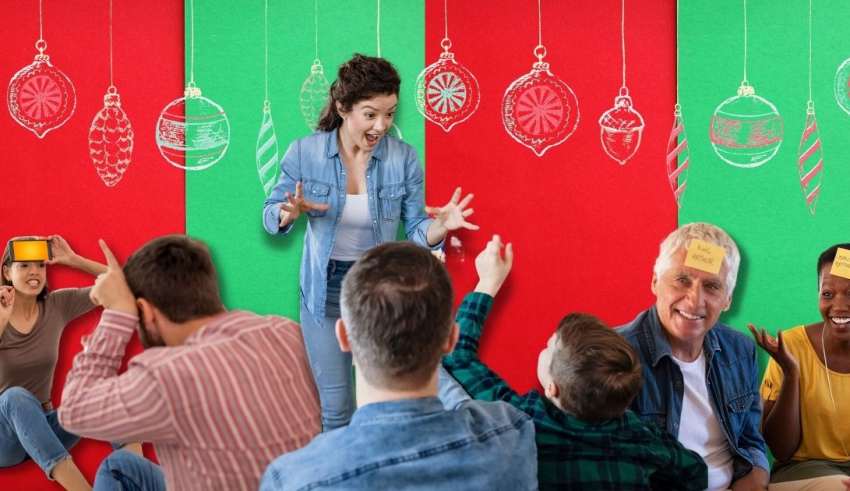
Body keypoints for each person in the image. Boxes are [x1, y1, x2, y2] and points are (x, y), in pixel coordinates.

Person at [262, 53, 478, 430]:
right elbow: (270, 214)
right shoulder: (305, 153)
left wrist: (440, 228)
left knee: (400, 396)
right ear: (344, 108)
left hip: (379, 289)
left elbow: (414, 232)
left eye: (390, 113)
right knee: (337, 410)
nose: (382, 125)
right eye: (371, 114)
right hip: (324, 291)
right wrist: (286, 212)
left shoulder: (403, 159)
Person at [260, 241, 537, 490]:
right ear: (451, 339)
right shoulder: (511, 436)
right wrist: (485, 287)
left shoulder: (293, 480)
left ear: (344, 337)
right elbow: (461, 400)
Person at [442, 234, 708, 490]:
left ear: (552, 388)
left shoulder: (522, 421)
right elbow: (696, 473)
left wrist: (487, 283)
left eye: (549, 347)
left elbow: (458, 355)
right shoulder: (641, 438)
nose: (544, 348)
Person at [57, 235, 321, 490]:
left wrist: (117, 315)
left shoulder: (167, 376)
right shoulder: (288, 333)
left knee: (117, 466)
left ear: (146, 312)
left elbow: (73, 410)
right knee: (121, 464)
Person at [617, 222, 769, 491]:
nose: (695, 299)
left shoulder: (740, 350)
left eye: (711, 286)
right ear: (654, 281)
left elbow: (750, 442)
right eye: (682, 280)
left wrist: (753, 481)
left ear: (728, 299)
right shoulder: (616, 354)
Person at [0, 235, 105, 491]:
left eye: (40, 264)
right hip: (3, 438)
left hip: (44, 428)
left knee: (98, 395)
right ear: (6, 271)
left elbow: (124, 287)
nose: (34, 271)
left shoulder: (57, 305)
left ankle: (137, 473)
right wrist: (2, 319)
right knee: (15, 396)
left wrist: (74, 260)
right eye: (24, 265)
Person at [749, 243, 850, 490]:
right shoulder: (791, 346)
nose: (839, 305)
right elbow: (781, 450)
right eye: (827, 294)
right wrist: (792, 373)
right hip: (802, 471)